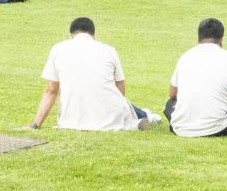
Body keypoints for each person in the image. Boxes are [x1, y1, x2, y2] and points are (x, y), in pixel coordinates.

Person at [32, 17, 165, 131]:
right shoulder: (109, 50)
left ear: (71, 35)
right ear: (93, 35)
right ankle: (145, 116)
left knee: (119, 103)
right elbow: (120, 87)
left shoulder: (58, 49)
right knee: (123, 105)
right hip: (110, 116)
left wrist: (35, 125)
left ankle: (143, 115)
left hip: (71, 121)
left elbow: (51, 91)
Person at [167, 18, 227, 136]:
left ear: (198, 39)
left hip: (180, 127)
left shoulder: (185, 57)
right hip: (218, 128)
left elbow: (172, 95)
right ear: (221, 40)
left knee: (170, 104)